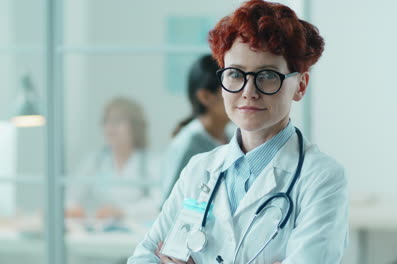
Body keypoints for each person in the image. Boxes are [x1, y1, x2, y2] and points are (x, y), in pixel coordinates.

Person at [128, 1, 348, 263]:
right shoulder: (199, 170)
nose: (248, 91)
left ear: (300, 86)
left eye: (267, 75)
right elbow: (143, 258)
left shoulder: (321, 179)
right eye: (235, 74)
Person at [66, 96, 161, 224]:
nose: (110, 128)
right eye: (106, 122)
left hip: (137, 233)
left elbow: (159, 203)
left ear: (135, 127)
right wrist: (72, 209)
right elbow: (70, 196)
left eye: (116, 122)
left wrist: (123, 211)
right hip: (100, 233)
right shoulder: (95, 161)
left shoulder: (151, 163)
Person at [160, 54, 231, 202]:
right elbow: (169, 204)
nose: (243, 93)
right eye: (231, 86)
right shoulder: (189, 144)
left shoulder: (230, 138)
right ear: (205, 97)